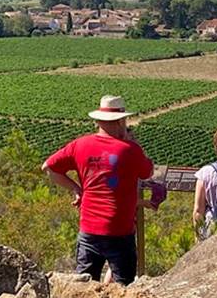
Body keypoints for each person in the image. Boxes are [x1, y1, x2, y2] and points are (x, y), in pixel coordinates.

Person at [42, 94, 154, 283]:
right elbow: (147, 172)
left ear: (98, 121)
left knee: (84, 288)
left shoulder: (79, 145)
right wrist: (132, 142)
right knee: (123, 290)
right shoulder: (129, 149)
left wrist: (76, 189)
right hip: (120, 231)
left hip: (88, 230)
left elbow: (48, 167)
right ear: (120, 121)